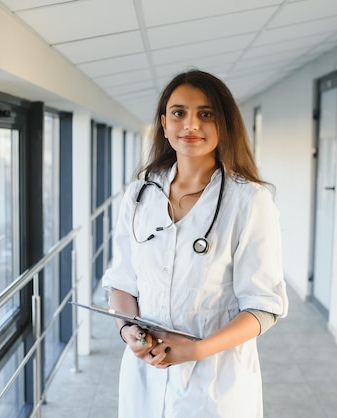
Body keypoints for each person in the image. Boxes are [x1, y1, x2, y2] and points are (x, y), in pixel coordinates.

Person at [101, 69, 288, 418]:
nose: (190, 125)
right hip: (145, 372)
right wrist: (129, 332)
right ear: (164, 122)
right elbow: (122, 284)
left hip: (216, 383)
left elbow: (263, 306)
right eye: (179, 113)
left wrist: (195, 350)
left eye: (206, 114)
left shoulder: (249, 201)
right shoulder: (139, 195)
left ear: (224, 124)